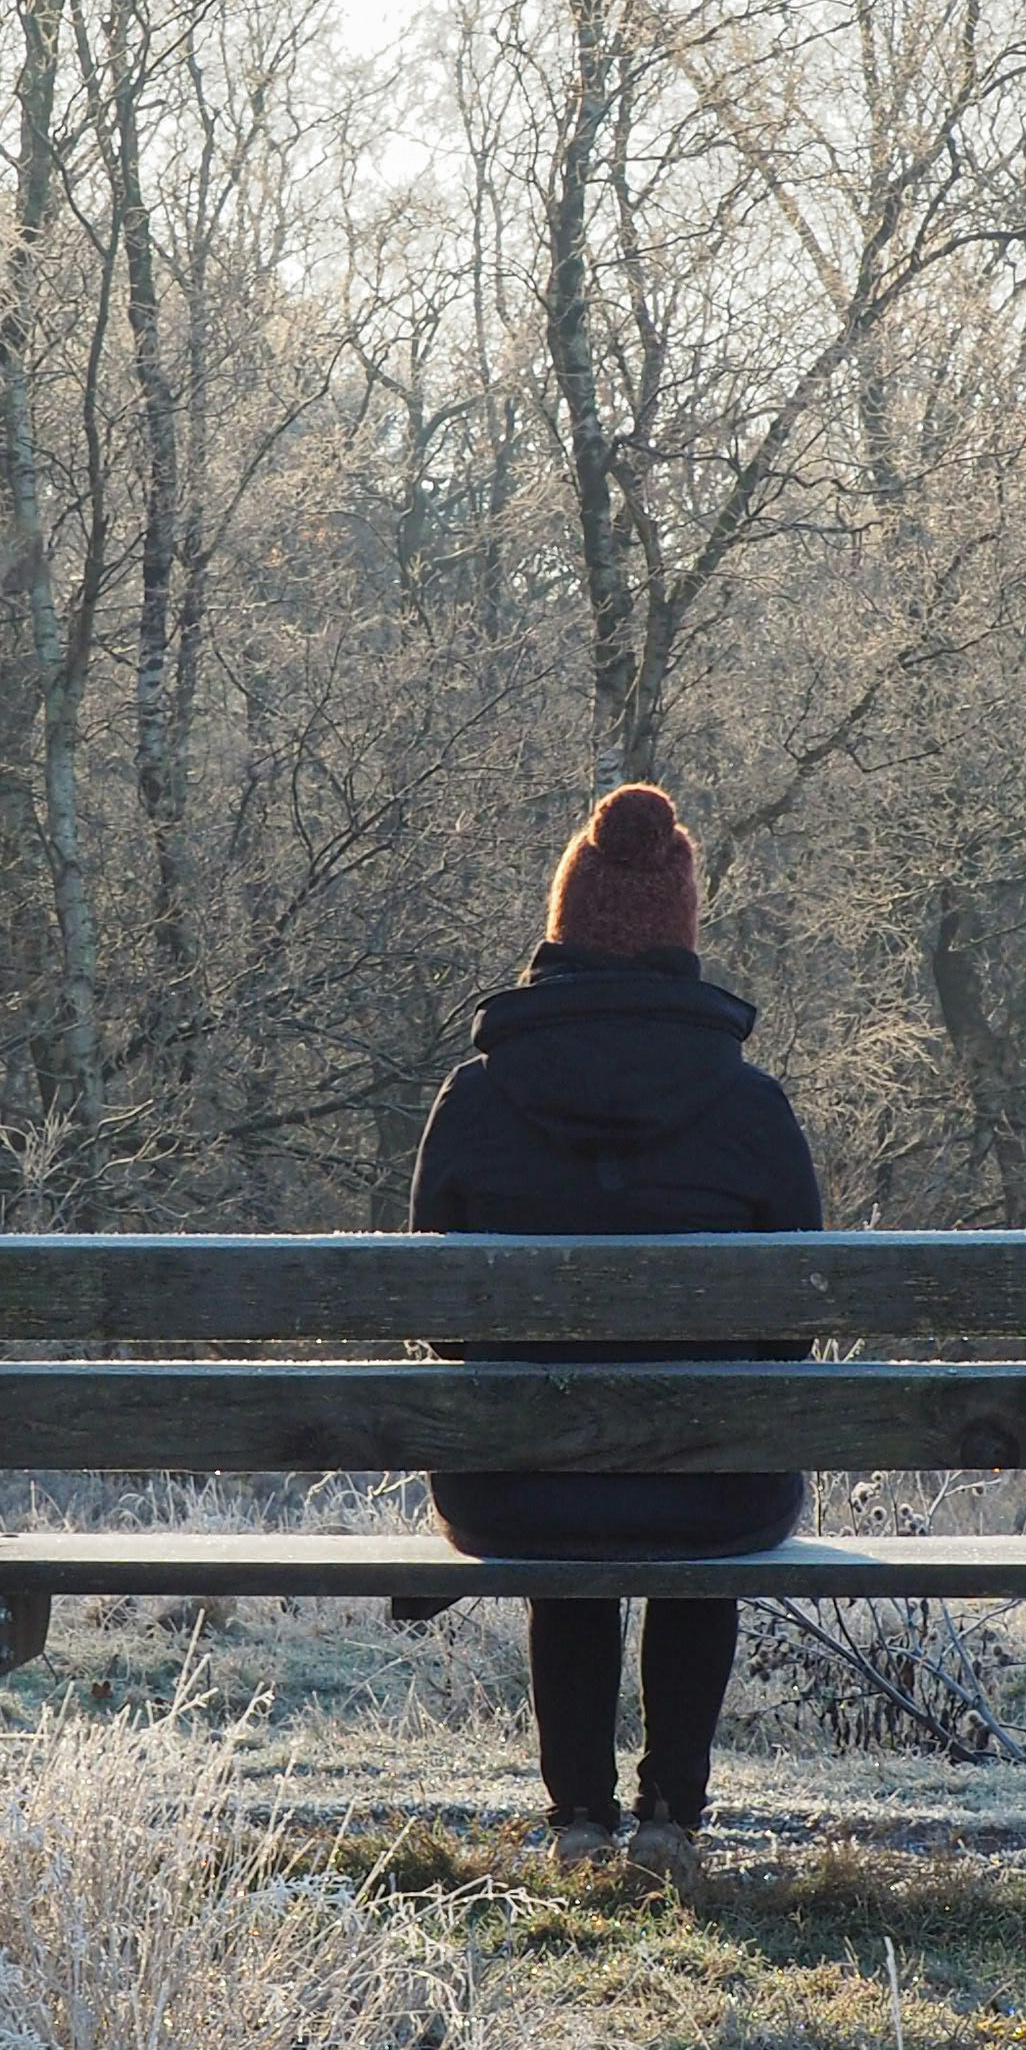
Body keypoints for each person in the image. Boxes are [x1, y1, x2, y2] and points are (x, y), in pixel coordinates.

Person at [408, 783, 822, 1881]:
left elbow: (433, 1318)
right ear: (682, 938)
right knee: (704, 1473)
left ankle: (580, 1822)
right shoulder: (751, 1111)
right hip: (713, 1488)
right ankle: (670, 1823)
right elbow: (797, 1329)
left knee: (562, 1485)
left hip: (517, 1485)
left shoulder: (477, 1098)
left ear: (561, 931)